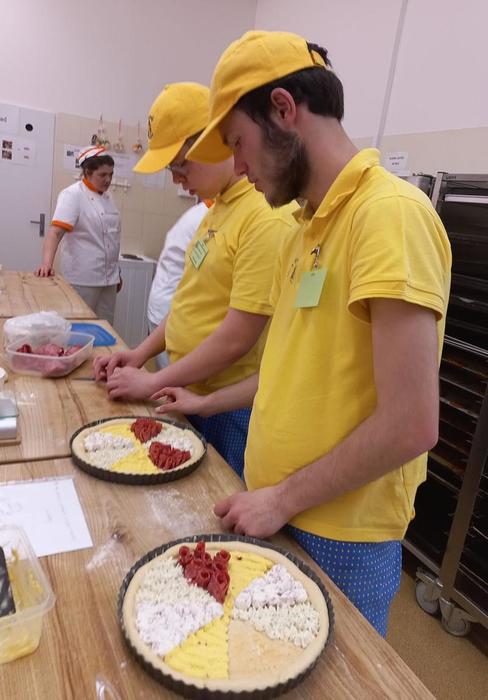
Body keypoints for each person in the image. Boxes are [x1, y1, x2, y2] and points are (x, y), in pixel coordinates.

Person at [156, 31, 452, 636]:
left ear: (284, 109)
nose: (238, 166)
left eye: (238, 142)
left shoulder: (388, 216)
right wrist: (206, 402)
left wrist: (282, 498)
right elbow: (286, 371)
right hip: (278, 506)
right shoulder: (303, 228)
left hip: (339, 535)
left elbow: (411, 423)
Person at [93, 82, 297, 478]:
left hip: (228, 404)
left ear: (215, 141)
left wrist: (154, 382)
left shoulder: (264, 217)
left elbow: (238, 338)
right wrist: (140, 354)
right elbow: (189, 303)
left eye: (180, 165)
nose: (176, 179)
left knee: (217, 495)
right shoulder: (217, 209)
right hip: (191, 388)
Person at [35, 147, 122, 324]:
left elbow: (111, 239)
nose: (108, 180)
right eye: (102, 175)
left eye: (111, 174)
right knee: (79, 325)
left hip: (109, 280)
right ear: (88, 172)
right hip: (83, 278)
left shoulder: (108, 198)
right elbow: (55, 232)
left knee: (105, 326)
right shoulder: (73, 195)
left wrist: (116, 273)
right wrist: (46, 264)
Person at [147, 200, 209, 369]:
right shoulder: (206, 218)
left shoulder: (200, 213)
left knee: (168, 372)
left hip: (165, 304)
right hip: (171, 307)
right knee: (172, 375)